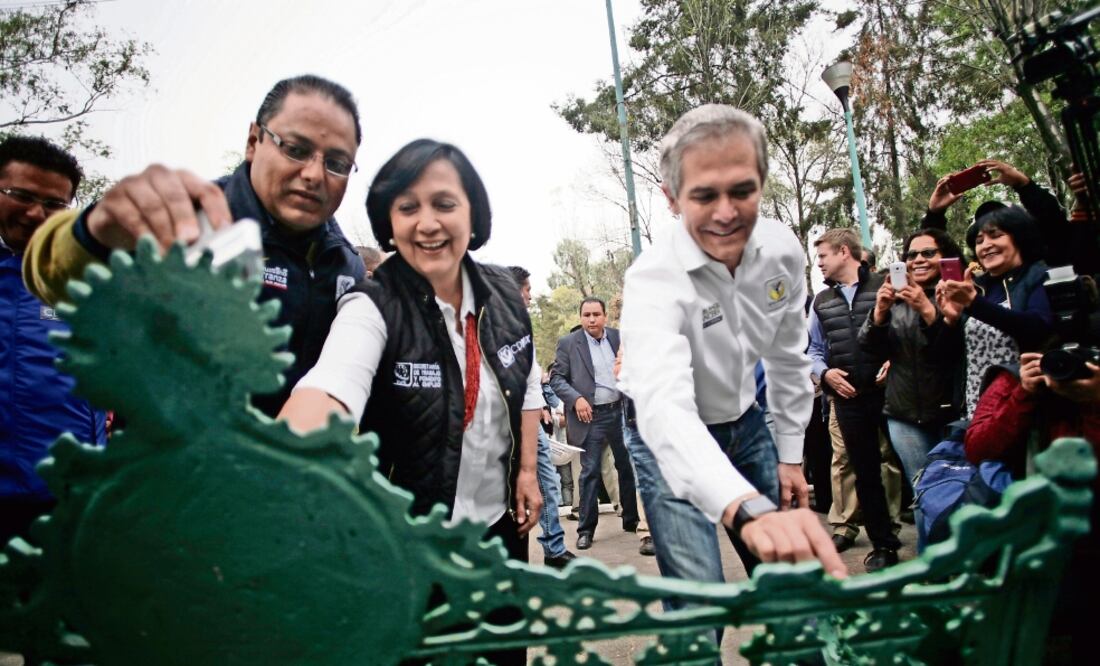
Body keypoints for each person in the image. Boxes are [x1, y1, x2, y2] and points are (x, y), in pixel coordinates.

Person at [22, 74, 366, 417]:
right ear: (253, 141)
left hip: (285, 466)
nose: (314, 174)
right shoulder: (180, 218)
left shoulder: (348, 265)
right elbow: (50, 277)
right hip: (169, 463)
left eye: (336, 164)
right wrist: (92, 233)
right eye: (295, 149)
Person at [279, 139, 542, 565]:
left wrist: (527, 471)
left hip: (500, 529)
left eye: (444, 204)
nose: (427, 224)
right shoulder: (372, 305)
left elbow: (526, 379)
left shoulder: (507, 296)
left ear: (473, 213)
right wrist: (288, 453)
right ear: (389, 221)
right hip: (408, 542)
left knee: (505, 634)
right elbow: (332, 385)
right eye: (407, 208)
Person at [618, 104, 846, 578]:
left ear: (762, 182)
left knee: (792, 581)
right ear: (672, 197)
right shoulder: (652, 281)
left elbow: (787, 358)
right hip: (665, 435)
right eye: (704, 196)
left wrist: (789, 456)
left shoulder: (782, 250)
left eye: (742, 191)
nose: (727, 214)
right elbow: (664, 405)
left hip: (747, 424)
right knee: (700, 595)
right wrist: (741, 505)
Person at [0, 136, 107, 545]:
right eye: (20, 195)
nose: (35, 213)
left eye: (54, 204)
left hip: (68, 497)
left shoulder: (89, 278)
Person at [808, 228, 899, 572]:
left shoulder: (885, 285)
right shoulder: (822, 302)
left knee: (904, 464)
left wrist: (896, 361)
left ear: (844, 252)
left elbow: (906, 330)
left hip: (892, 394)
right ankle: (883, 545)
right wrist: (824, 374)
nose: (819, 264)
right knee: (864, 472)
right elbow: (813, 349)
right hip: (847, 398)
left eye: (823, 256)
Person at [859, 228, 965, 485]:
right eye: (912, 254)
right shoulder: (895, 300)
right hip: (903, 414)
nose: (918, 260)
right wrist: (879, 315)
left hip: (953, 413)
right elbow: (868, 348)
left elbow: (957, 349)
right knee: (924, 491)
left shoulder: (962, 293)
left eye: (928, 253)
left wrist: (928, 309)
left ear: (946, 257)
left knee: (957, 490)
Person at [936, 206, 1053, 418]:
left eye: (996, 236)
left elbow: (1038, 327)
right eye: (979, 241)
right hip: (976, 410)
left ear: (1020, 237)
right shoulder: (976, 286)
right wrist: (951, 320)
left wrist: (974, 304)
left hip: (1027, 405)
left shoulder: (1040, 275)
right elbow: (947, 357)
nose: (986, 245)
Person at [550, 298, 639, 550]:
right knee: (589, 473)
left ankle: (631, 520)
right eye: (587, 314)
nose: (592, 319)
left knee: (627, 466)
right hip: (590, 417)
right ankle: (586, 530)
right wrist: (576, 399)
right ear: (580, 317)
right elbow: (557, 379)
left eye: (596, 314)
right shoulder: (569, 343)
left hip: (620, 413)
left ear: (605, 316)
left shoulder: (617, 337)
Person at [509, 265, 576, 568]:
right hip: (515, 420)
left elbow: (532, 379)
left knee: (547, 482)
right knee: (538, 483)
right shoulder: (499, 326)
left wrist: (541, 408)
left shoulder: (521, 325)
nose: (531, 297)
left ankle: (554, 548)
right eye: (527, 290)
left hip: (531, 416)